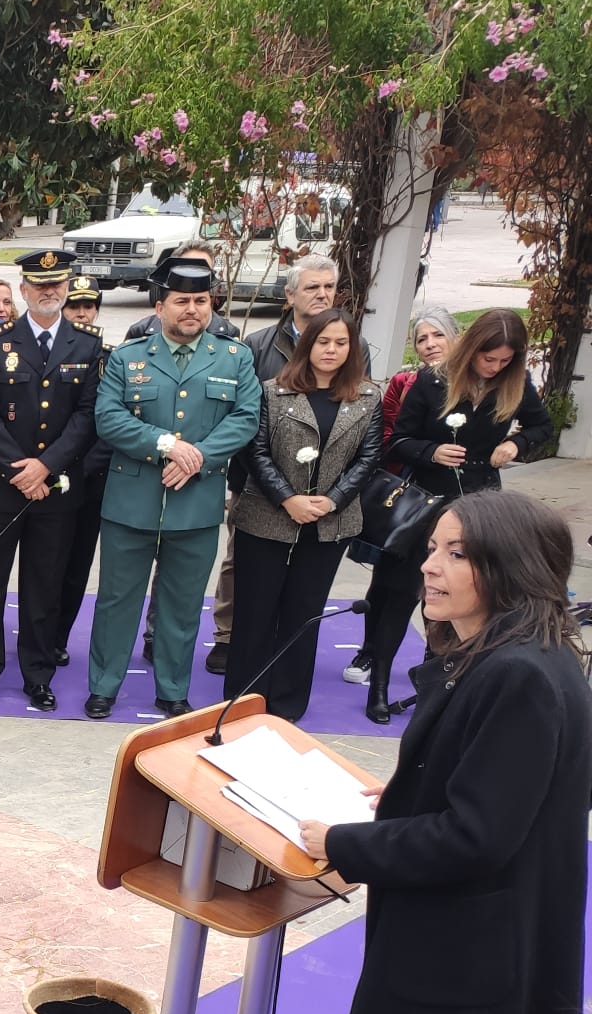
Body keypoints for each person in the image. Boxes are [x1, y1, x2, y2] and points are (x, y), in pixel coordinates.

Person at [299, 492, 592, 1014]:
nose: (429, 565)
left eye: (455, 553)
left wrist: (346, 842)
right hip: (489, 938)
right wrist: (411, 793)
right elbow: (505, 796)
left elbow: (476, 837)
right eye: (432, 548)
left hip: (464, 942)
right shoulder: (530, 658)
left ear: (506, 568)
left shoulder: (515, 676)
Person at [83, 256, 261, 720]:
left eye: (201, 301)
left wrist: (196, 457)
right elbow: (109, 417)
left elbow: (245, 418)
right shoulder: (127, 357)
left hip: (196, 504)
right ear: (160, 306)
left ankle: (172, 689)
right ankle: (103, 685)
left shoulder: (234, 358)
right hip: (131, 504)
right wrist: (165, 444)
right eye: (181, 301)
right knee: (117, 601)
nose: (192, 310)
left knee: (183, 606)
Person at [370, 307, 553, 722]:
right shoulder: (433, 381)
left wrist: (517, 446)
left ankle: (438, 681)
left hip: (479, 501)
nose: (495, 367)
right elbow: (397, 440)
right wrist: (430, 451)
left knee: (461, 598)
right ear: (471, 350)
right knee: (402, 592)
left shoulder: (516, 382)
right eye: (489, 359)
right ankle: (378, 683)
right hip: (426, 502)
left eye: (505, 361)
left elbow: (541, 427)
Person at [0, 250, 103, 712]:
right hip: (2, 490)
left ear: (66, 289)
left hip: (56, 492)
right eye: (40, 285)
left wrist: (47, 467)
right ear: (23, 290)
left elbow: (87, 417)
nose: (49, 292)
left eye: (57, 284)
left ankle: (37, 675)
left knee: (44, 588)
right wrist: (20, 470)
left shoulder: (87, 344)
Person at [225, 308, 379, 722]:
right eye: (323, 341)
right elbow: (253, 451)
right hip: (268, 516)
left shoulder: (367, 397)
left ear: (352, 348)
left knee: (303, 612)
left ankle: (288, 702)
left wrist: (334, 499)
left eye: (341, 343)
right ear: (308, 345)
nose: (331, 350)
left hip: (331, 521)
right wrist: (287, 498)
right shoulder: (272, 392)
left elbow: (368, 459)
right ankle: (244, 699)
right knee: (255, 611)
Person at [346, 307, 460, 696]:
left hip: (459, 497)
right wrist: (428, 452)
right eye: (421, 339)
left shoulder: (477, 379)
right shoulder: (406, 381)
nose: (429, 345)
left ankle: (437, 661)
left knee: (446, 582)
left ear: (454, 337)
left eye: (437, 336)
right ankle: (369, 651)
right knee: (390, 582)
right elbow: (392, 434)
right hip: (407, 494)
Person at [54, 276, 116, 660]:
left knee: (77, 564)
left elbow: (110, 426)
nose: (81, 312)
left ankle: (58, 637)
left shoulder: (112, 358)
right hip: (50, 476)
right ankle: (38, 632)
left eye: (88, 306)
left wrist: (76, 471)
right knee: (46, 563)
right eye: (74, 306)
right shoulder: (51, 352)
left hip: (90, 479)